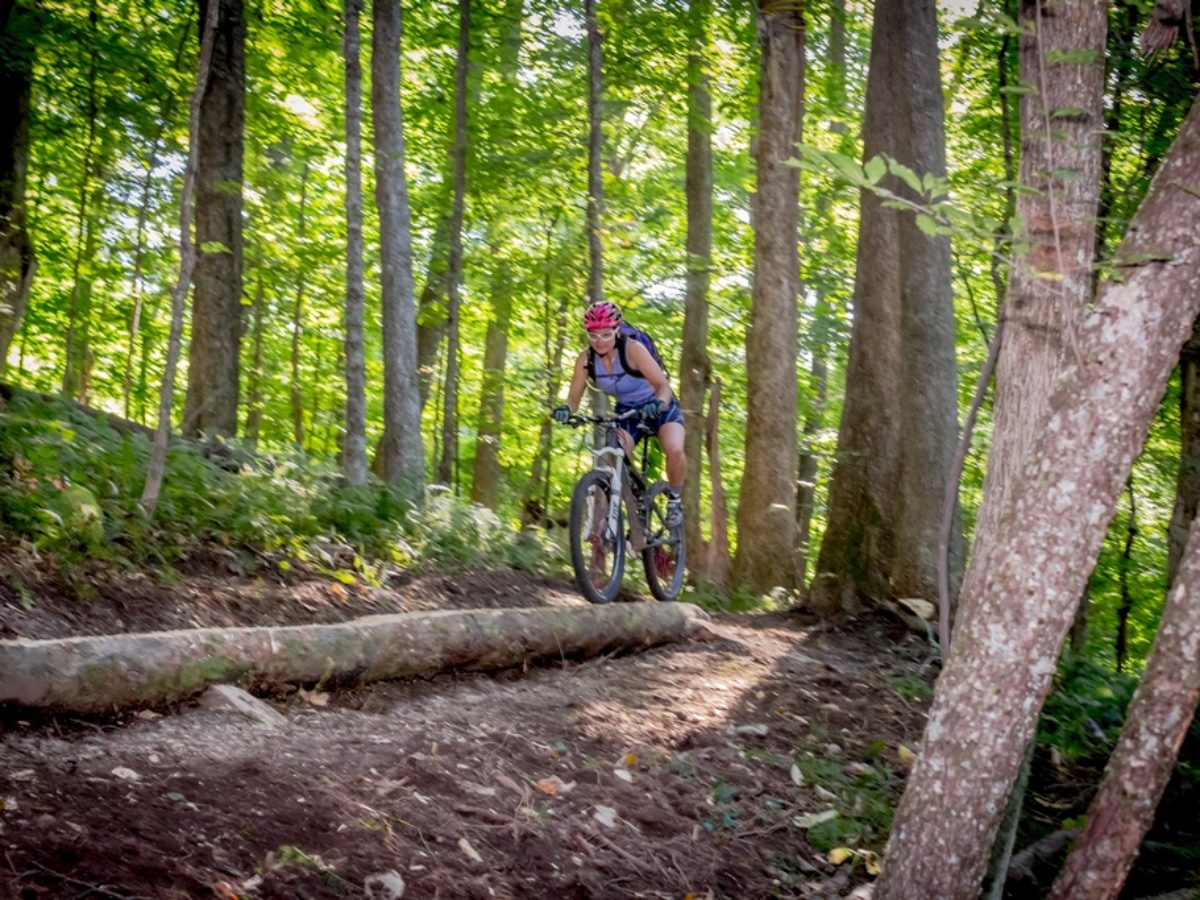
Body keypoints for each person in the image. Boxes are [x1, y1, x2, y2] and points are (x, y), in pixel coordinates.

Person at [552, 300, 685, 528]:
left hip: (660, 406)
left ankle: (674, 499)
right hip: (628, 412)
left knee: (674, 449)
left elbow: (663, 386)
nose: (599, 341)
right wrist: (566, 409)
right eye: (593, 335)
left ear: (617, 330)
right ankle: (629, 506)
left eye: (605, 334)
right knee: (615, 457)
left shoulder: (633, 350)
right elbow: (574, 397)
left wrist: (658, 403)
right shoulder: (586, 360)